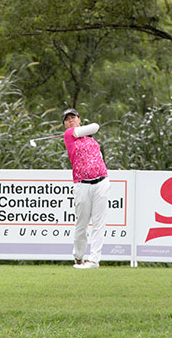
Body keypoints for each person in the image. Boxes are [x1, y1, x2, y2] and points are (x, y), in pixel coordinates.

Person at [62, 108, 110, 269]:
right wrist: (80, 131)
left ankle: (94, 260)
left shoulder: (91, 139)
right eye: (67, 119)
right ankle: (79, 256)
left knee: (99, 223)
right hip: (82, 184)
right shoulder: (69, 136)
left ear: (79, 120)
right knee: (82, 223)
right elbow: (95, 126)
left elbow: (94, 129)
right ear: (65, 125)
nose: (70, 121)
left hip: (101, 182)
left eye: (73, 117)